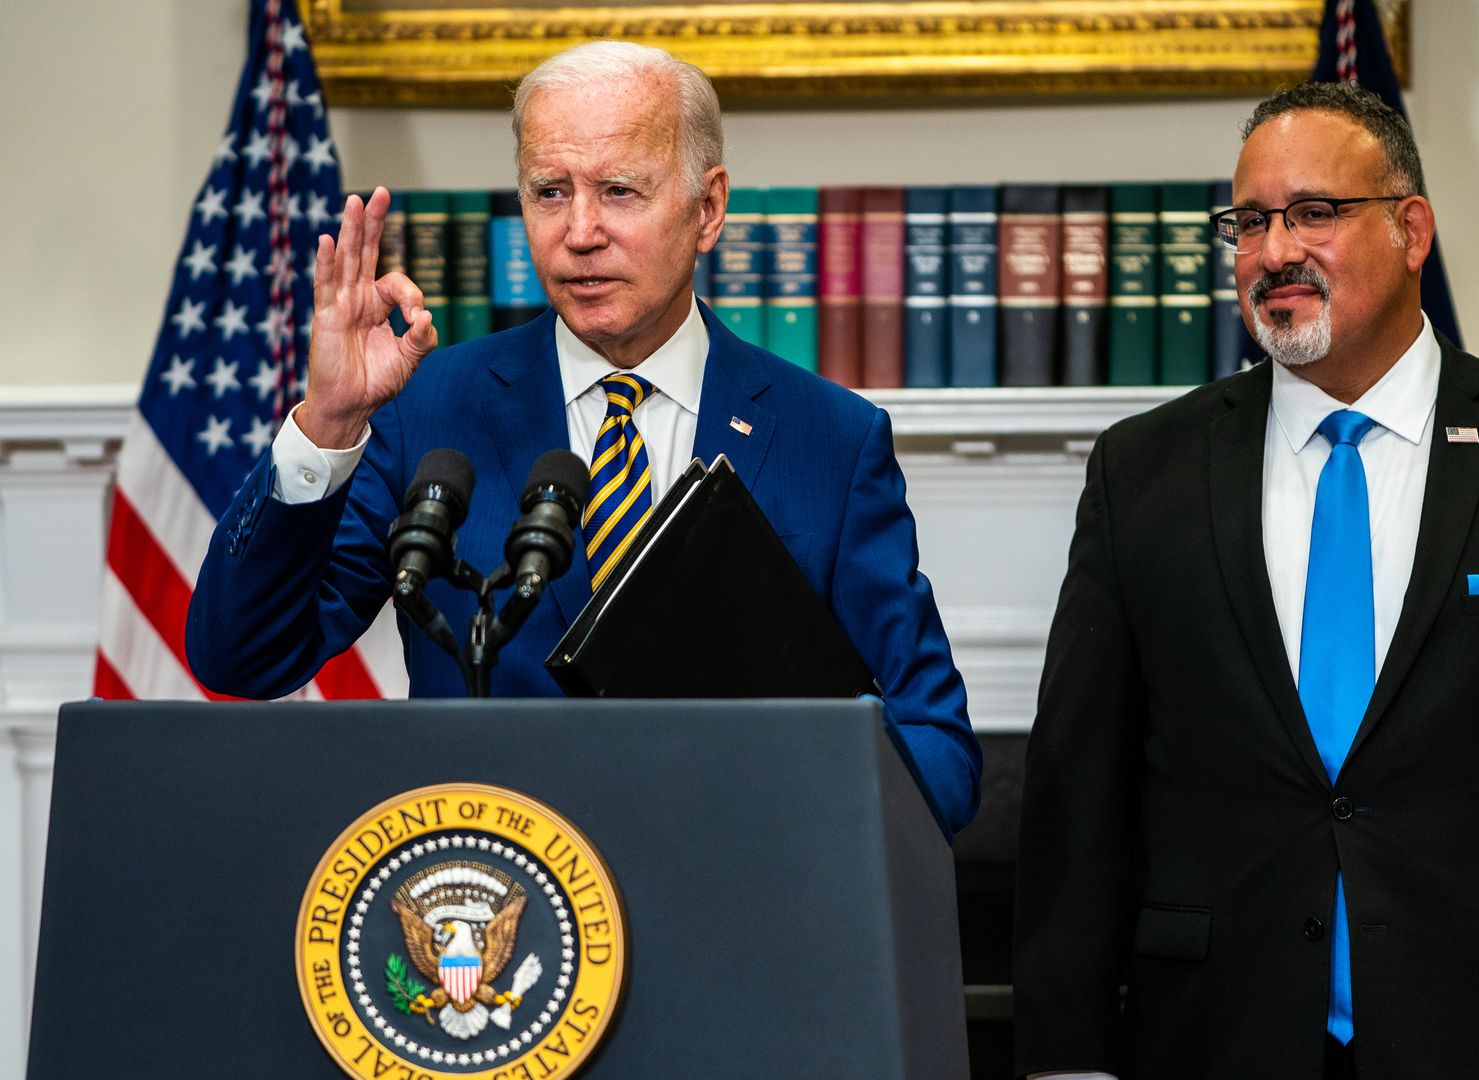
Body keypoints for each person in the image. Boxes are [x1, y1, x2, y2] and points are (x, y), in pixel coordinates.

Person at [1012, 82, 1479, 1080]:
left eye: (1313, 213)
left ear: (1411, 228)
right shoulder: (1145, 472)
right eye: (1249, 222)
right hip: (1216, 1038)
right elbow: (1076, 801)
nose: (1272, 251)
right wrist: (1067, 1061)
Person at [183, 42, 980, 835]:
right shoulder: (423, 410)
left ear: (707, 209)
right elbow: (244, 658)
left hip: (737, 900)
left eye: (620, 191)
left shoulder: (830, 438)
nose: (581, 231)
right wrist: (326, 423)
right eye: (550, 192)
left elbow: (936, 747)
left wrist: (799, 824)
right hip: (497, 916)